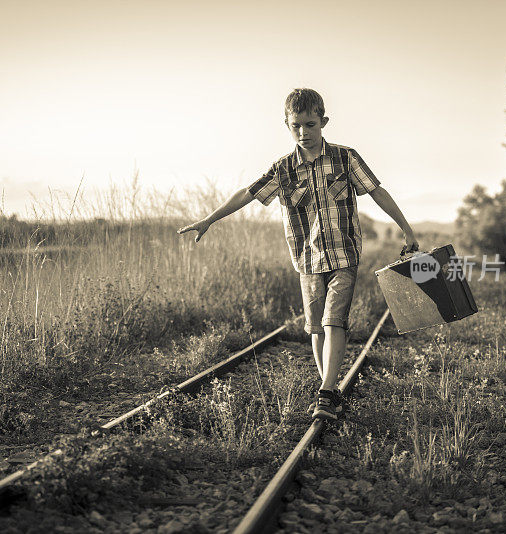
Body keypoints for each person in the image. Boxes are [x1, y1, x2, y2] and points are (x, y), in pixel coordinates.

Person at [178, 88, 418, 420]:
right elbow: (247, 194)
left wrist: (406, 228)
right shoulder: (283, 169)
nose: (303, 133)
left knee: (335, 321)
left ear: (323, 122)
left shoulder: (345, 158)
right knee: (316, 327)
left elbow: (376, 190)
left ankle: (326, 392)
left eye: (310, 125)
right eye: (296, 126)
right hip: (307, 259)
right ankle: (329, 388)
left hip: (344, 254)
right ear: (287, 125)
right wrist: (209, 219)